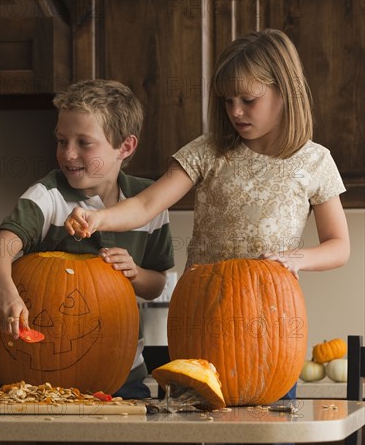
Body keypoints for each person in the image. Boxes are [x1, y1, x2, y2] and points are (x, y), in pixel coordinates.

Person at [65, 30, 350, 404]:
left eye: (248, 100)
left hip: (271, 332)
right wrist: (98, 218)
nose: (235, 111)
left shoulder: (314, 161)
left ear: (285, 92)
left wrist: (298, 258)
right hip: (199, 324)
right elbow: (147, 204)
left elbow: (339, 245)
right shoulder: (208, 151)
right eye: (227, 100)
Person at [0, 79, 175, 399]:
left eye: (84, 143)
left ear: (125, 147)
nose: (68, 153)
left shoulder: (148, 201)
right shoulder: (49, 196)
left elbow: (156, 284)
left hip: (124, 372)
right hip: (43, 376)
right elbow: (0, 249)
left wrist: (135, 273)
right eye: (61, 141)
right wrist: (4, 293)